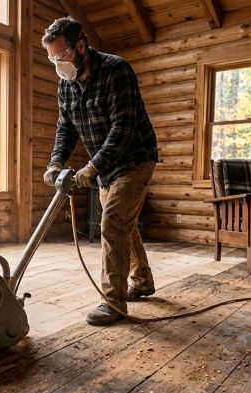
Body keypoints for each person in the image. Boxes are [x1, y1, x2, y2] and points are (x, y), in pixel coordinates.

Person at [41, 17, 159, 326]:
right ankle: (142, 281)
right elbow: (65, 129)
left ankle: (113, 302)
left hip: (135, 158)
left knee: (113, 222)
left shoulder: (115, 70)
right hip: (107, 165)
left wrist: (94, 166)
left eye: (62, 55)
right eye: (52, 58)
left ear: (80, 45)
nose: (58, 63)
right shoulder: (65, 86)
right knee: (123, 224)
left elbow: (124, 127)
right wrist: (56, 162)